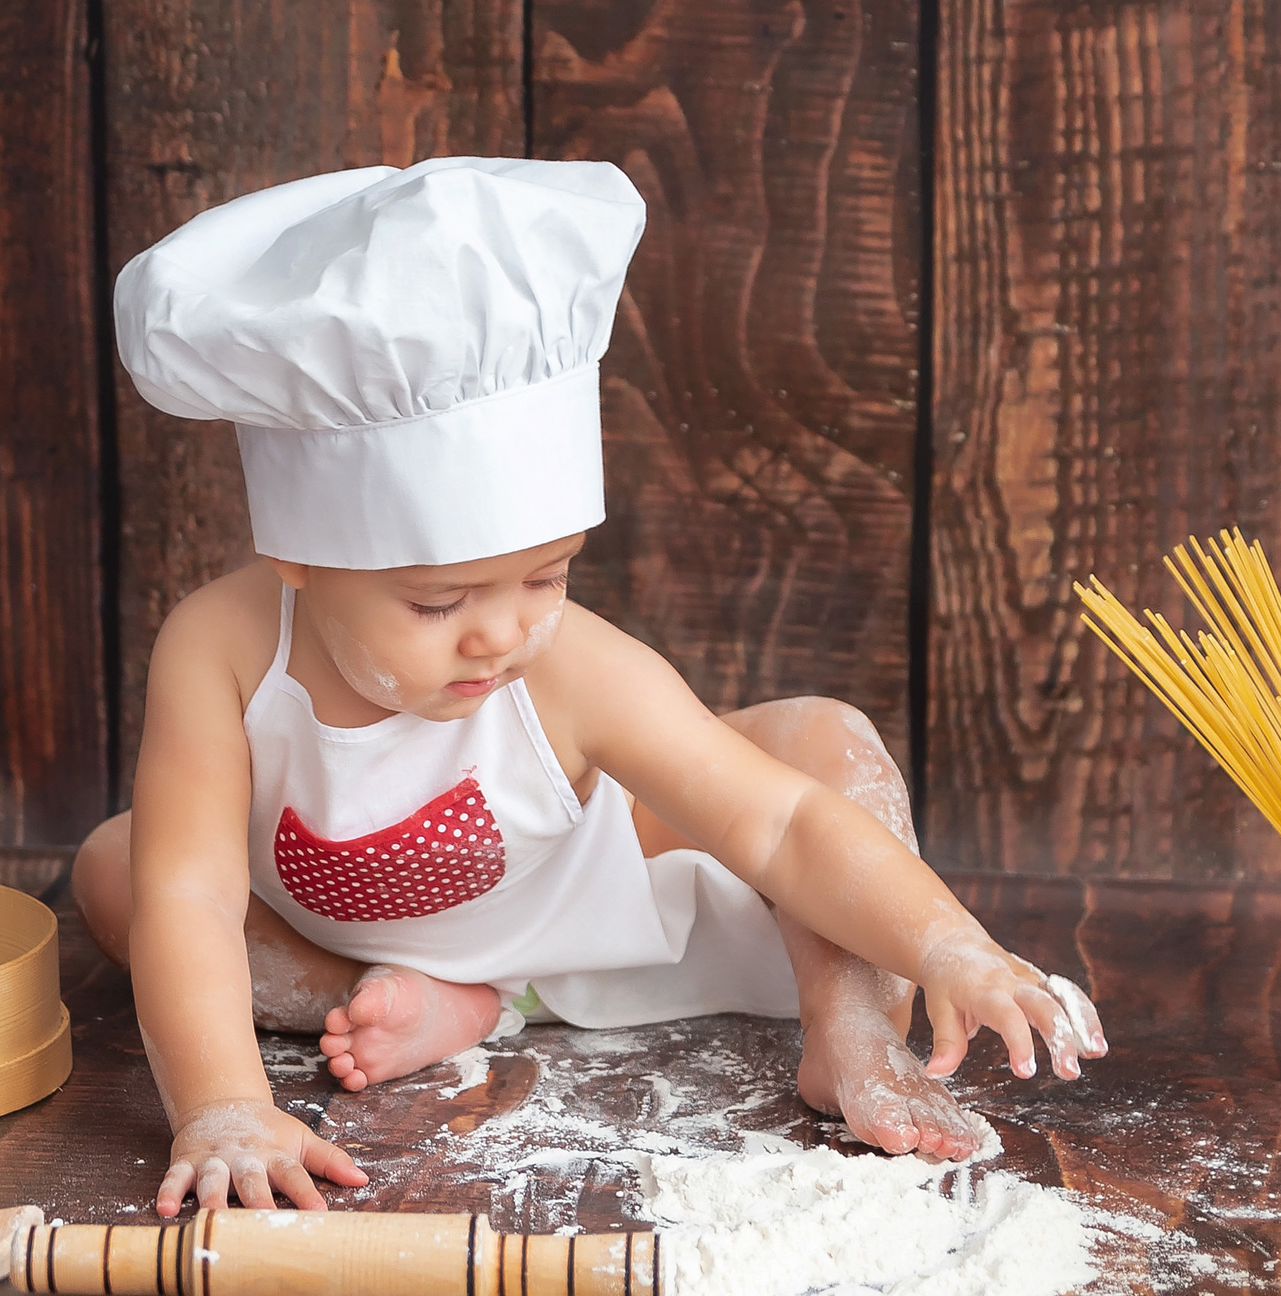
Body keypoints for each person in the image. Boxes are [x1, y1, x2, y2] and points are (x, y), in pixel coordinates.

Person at [76, 157, 1104, 1218]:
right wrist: (224, 1102)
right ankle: (428, 1001)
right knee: (121, 866)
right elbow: (192, 895)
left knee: (822, 743)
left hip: (591, 906)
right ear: (296, 555)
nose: (504, 632)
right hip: (333, 930)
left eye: (547, 574)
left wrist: (947, 944)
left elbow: (786, 824)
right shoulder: (217, 648)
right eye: (438, 601)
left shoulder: (566, 662)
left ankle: (848, 1033)